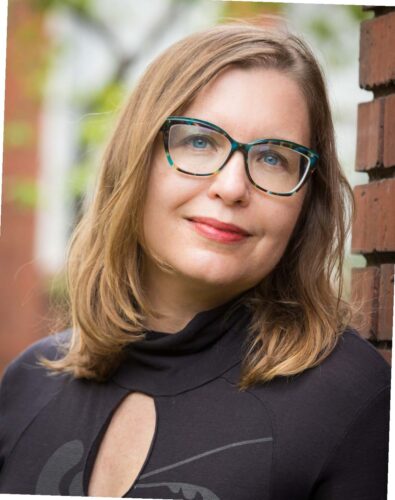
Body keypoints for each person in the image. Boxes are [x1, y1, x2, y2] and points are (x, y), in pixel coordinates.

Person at [0, 21, 391, 500]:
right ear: (134, 161)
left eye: (273, 157)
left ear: (307, 201)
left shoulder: (353, 400)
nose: (231, 187)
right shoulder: (24, 386)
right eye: (200, 141)